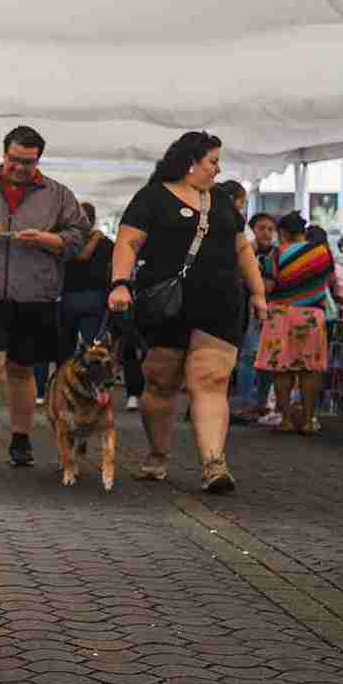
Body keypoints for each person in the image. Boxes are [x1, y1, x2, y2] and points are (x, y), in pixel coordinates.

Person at [108, 131, 268, 493]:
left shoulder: (223, 201)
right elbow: (128, 243)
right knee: (161, 382)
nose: (218, 168)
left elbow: (243, 250)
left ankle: (214, 464)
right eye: (213, 161)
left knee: (210, 381)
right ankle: (158, 454)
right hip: (167, 304)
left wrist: (257, 292)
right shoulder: (152, 197)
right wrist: (119, 283)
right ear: (190, 162)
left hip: (222, 303)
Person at [0, 125, 89, 468]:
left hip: (36, 294)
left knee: (21, 369)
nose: (21, 167)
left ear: (39, 160)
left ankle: (21, 438)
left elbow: (79, 235)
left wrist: (50, 241)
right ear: (4, 154)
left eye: (29, 162)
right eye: (15, 160)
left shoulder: (58, 194)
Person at [255, 212, 333, 434]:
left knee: (282, 369)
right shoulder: (322, 252)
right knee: (310, 369)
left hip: (282, 316)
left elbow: (267, 287)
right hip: (312, 316)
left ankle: (286, 420)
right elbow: (329, 281)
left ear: (283, 233)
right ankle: (309, 421)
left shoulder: (277, 254)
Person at [232, 212, 279, 418]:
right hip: (247, 309)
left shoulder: (277, 254)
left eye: (270, 229)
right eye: (262, 228)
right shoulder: (244, 252)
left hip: (271, 312)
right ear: (252, 230)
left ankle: (261, 402)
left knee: (267, 358)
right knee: (248, 356)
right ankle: (244, 402)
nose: (267, 233)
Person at [59, 202, 113, 359]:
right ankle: (90, 380)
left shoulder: (65, 241)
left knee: (65, 348)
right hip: (95, 298)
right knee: (92, 347)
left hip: (68, 298)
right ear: (93, 220)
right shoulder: (106, 243)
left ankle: (63, 378)